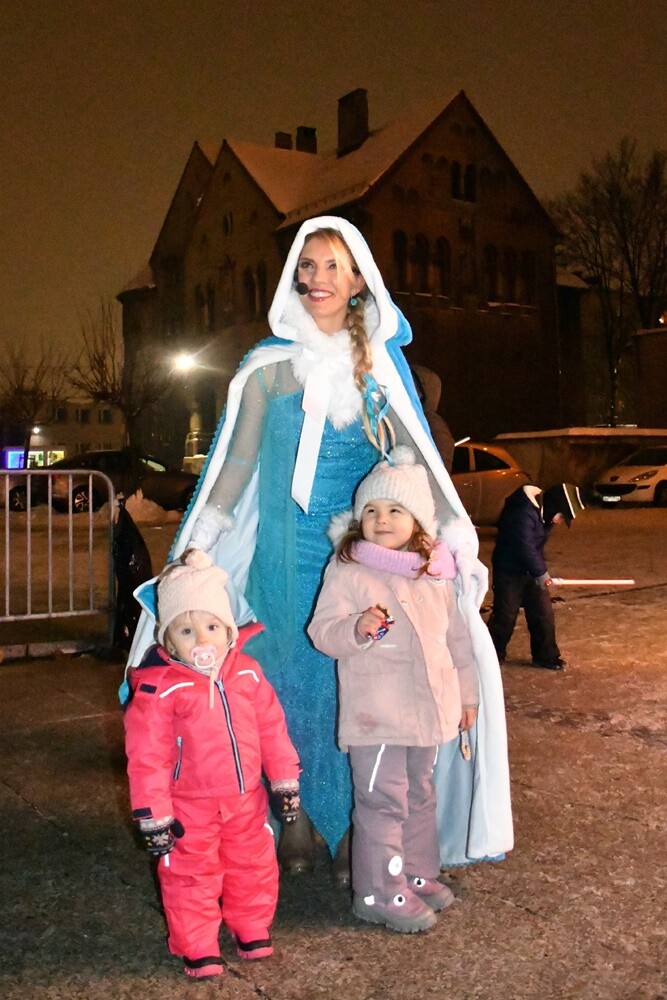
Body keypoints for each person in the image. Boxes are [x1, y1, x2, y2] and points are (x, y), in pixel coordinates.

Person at [127, 215, 512, 881]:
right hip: (281, 561)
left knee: (354, 684)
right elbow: (236, 465)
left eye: (333, 266)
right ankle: (296, 820)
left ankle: (357, 827)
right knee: (284, 686)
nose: (317, 278)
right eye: (307, 265)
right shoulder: (266, 370)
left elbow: (413, 461)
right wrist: (201, 542)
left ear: (359, 280)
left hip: (356, 569)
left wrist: (449, 536)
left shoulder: (378, 372)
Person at [308, 447, 478, 933]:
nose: (381, 519)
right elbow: (322, 632)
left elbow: (456, 640)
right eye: (371, 510)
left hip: (429, 712)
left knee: (420, 794)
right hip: (377, 716)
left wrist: (467, 697)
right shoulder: (348, 570)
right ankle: (378, 892)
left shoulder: (433, 572)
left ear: (418, 521)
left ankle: (417, 873)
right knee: (382, 801)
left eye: (394, 510)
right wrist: (356, 629)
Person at [123, 549, 300, 980]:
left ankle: (251, 925)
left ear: (229, 631)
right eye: (186, 630)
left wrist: (284, 780)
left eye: (212, 627)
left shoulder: (247, 674)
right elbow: (146, 757)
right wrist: (153, 814)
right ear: (168, 641)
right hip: (188, 806)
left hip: (245, 799)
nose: (202, 639)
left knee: (253, 864)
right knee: (190, 874)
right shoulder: (159, 690)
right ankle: (198, 943)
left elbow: (273, 731)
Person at [487, 483, 584, 670]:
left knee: (543, 613)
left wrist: (539, 572)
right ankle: (490, 655)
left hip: (531, 570)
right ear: (555, 506)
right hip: (509, 570)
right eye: (561, 516)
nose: (559, 521)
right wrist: (541, 573)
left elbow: (535, 548)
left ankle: (546, 656)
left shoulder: (544, 514)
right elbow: (525, 547)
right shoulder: (522, 512)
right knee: (505, 616)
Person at [410, 364, 455, 472]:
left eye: (411, 383)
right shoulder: (410, 418)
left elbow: (442, 468)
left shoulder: (433, 423)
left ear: (421, 393)